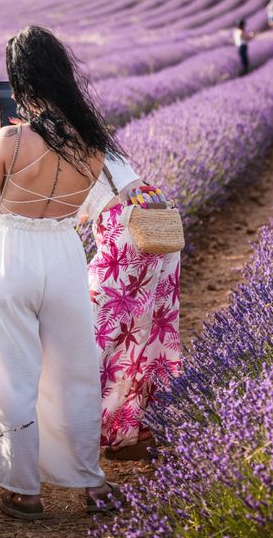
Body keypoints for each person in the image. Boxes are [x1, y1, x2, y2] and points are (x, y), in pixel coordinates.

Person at [0, 25, 121, 521]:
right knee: (74, 373)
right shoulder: (92, 143)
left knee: (9, 374)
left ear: (20, 80)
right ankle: (91, 484)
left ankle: (25, 491)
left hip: (11, 254)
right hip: (62, 255)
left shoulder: (13, 138)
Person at [76, 152, 181, 453]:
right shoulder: (96, 137)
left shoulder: (63, 141)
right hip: (154, 221)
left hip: (125, 232)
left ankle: (98, 426)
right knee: (147, 330)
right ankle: (139, 423)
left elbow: (64, 210)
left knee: (101, 333)